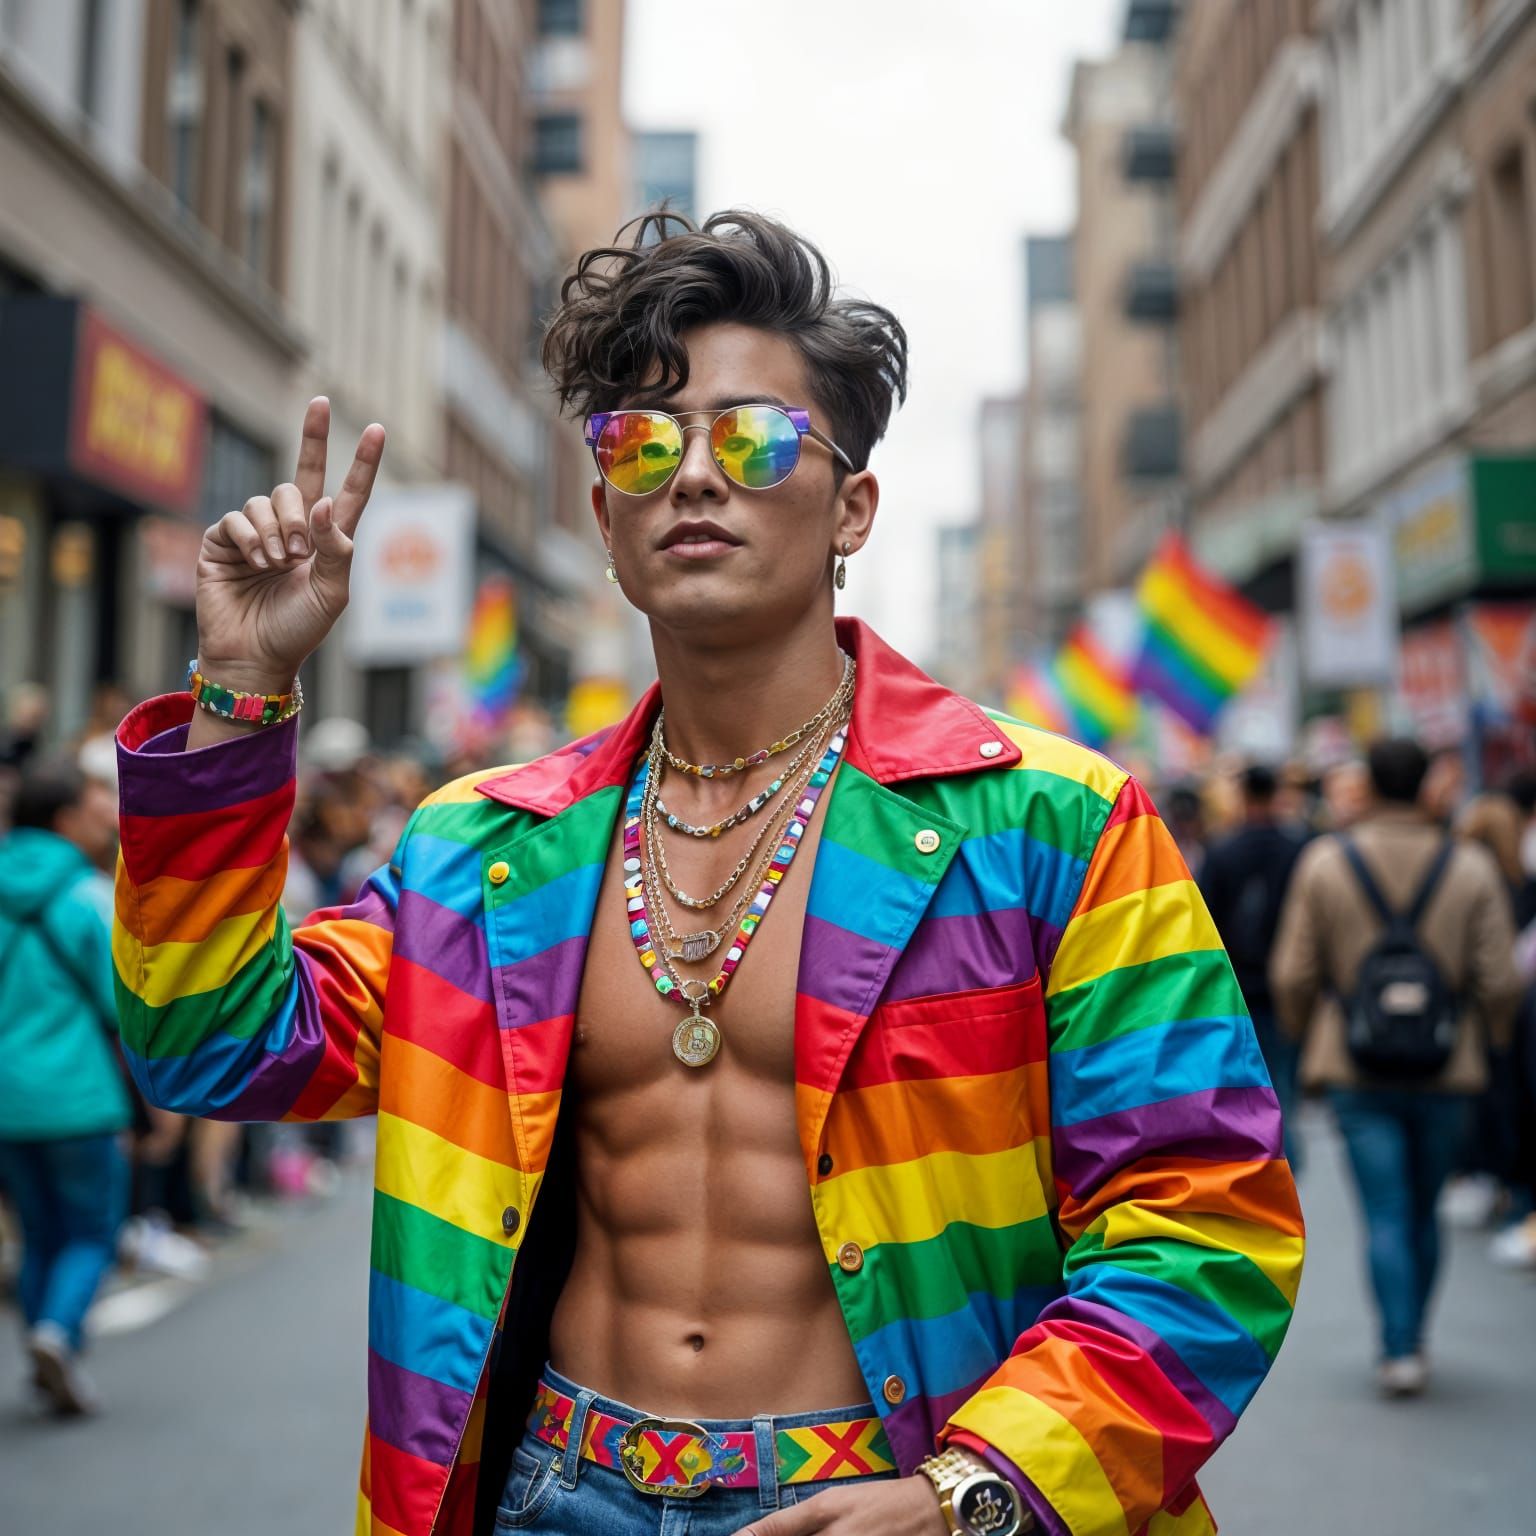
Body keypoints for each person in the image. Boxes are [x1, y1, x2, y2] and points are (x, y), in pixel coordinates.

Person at [111, 212, 1302, 1536]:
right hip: (546, 1492)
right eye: (640, 442)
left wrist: (974, 1493)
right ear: (608, 519)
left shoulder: (1050, 828)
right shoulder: (485, 849)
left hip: (890, 1499)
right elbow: (211, 1045)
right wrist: (240, 688)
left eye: (753, 437)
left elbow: (1206, 1226)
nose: (692, 475)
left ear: (851, 503)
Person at [1270, 738, 1521, 1398]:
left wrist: (1308, 1034)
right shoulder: (1468, 866)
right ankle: (1417, 1336)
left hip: (1354, 1066)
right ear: (1426, 788)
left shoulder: (1326, 862)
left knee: (1384, 1208)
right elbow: (1500, 980)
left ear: (1371, 785)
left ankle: (1397, 1347)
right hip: (1448, 1064)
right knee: (1424, 1206)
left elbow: (1292, 972)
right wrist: (1486, 1038)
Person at [0, 759, 131, 1414]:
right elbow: (120, 1002)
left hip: (7, 1104)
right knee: (91, 1230)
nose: (101, 817)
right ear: (62, 820)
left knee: (37, 1234)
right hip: (78, 1096)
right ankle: (59, 1333)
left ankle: (43, 1340)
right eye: (90, 807)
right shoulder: (85, 893)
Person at [1198, 764, 1309, 1172]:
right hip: (1288, 988)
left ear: (1244, 797)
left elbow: (1204, 921)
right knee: (1286, 1083)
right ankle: (1287, 1159)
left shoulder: (1223, 851)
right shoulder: (1299, 848)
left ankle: (1271, 1161)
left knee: (1251, 1082)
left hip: (1238, 987)